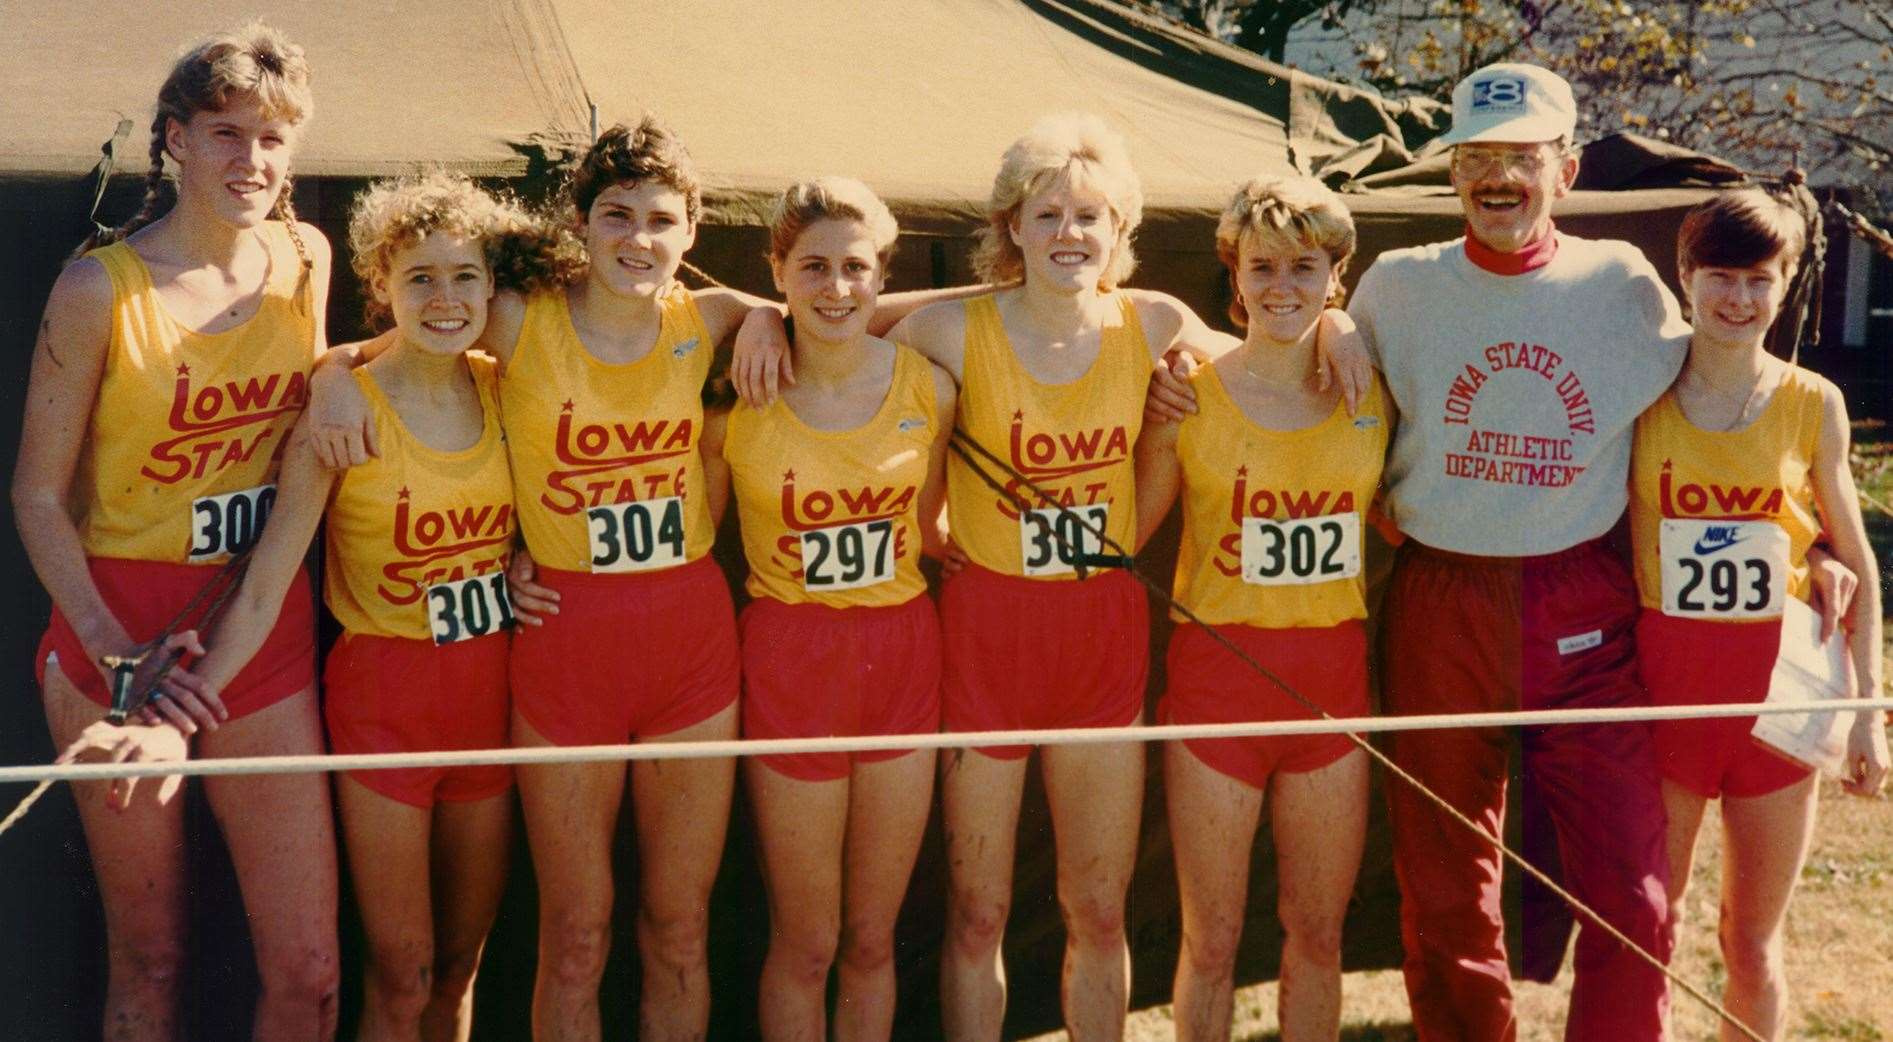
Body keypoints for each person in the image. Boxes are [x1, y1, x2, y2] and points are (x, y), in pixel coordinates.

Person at [11, 22, 341, 1040]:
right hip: (117, 630)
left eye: (274, 138)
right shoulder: (97, 289)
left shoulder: (304, 256)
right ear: (175, 140)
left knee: (310, 971)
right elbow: (35, 495)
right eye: (227, 133)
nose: (254, 160)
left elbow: (309, 441)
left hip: (255, 629)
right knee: (148, 954)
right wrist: (117, 653)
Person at [1346, 63, 1688, 1041]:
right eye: (1480, 158)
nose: (1501, 178)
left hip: (1580, 596)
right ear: (1453, 171)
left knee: (1634, 888)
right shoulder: (1395, 287)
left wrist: (1821, 535)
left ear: (1567, 169)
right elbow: (1322, 398)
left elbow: (1722, 406)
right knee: (1446, 878)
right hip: (1442, 592)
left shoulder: (1620, 282)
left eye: (1524, 158)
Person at [179, 171, 552, 1042]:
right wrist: (191, 700)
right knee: (401, 968)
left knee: (459, 966)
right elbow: (269, 580)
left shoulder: (508, 387)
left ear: (491, 287)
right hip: (384, 699)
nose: (445, 298)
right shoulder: (341, 412)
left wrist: (526, 565)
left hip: (490, 695)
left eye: (464, 277)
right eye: (419, 278)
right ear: (381, 287)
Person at [1133, 175, 1385, 1042]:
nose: (1283, 287)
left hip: (1329, 685)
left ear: (1334, 278)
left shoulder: (1372, 391)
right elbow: (1127, 531)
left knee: (1315, 933)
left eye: (1304, 268)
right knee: (1212, 939)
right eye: (1262, 267)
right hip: (1217, 689)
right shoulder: (1189, 390)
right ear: (1233, 278)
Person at [1632, 188, 1888, 1041]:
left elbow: (1855, 562)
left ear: (1783, 287)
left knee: (1750, 939)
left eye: (1758, 279)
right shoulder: (1640, 389)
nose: (1737, 300)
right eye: (1719, 277)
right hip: (1665, 695)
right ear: (1685, 277)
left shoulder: (1811, 402)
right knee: (1646, 933)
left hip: (1778, 703)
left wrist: (1866, 717)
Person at [716, 177, 956, 1042]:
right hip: (792, 658)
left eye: (856, 267)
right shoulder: (735, 393)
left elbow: (930, 526)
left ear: (881, 276)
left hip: (899, 653)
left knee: (868, 938)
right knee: (808, 940)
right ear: (776, 271)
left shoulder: (931, 387)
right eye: (812, 266)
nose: (836, 288)